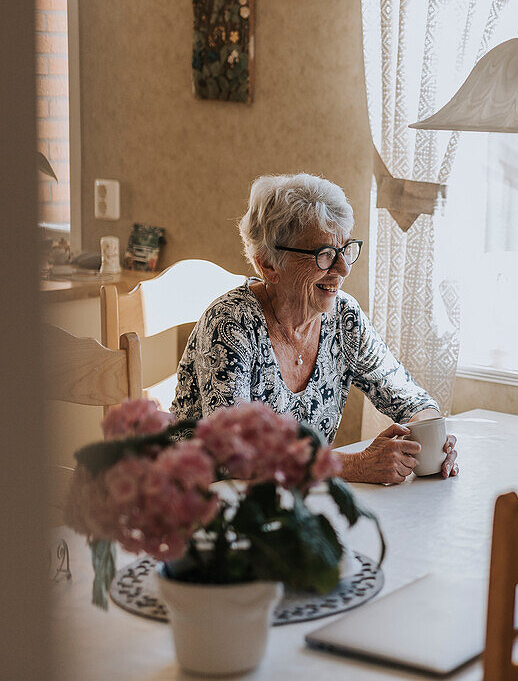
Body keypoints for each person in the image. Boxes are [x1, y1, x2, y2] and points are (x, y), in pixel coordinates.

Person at [172, 173, 458, 484]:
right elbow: (234, 456)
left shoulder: (343, 318)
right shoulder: (231, 323)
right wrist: (355, 465)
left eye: (345, 249)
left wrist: (433, 442)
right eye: (323, 255)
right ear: (268, 264)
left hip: (295, 505)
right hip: (204, 505)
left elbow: (413, 401)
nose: (343, 269)